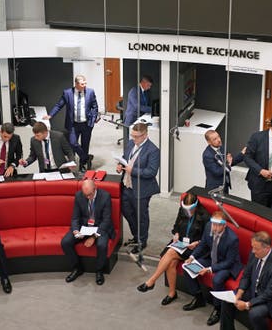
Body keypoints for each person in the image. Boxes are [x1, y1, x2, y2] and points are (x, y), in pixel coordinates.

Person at [137, 193, 210, 305]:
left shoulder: (205, 217)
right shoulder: (182, 211)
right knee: (171, 263)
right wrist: (176, 234)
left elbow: (207, 239)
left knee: (170, 253)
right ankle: (172, 293)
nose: (188, 212)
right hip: (181, 244)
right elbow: (176, 226)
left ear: (196, 206)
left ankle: (151, 281)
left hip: (195, 249)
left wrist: (197, 242)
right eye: (185, 209)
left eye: (190, 209)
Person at [219, 231, 272, 330]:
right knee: (228, 300)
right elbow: (246, 275)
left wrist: (246, 305)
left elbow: (269, 294)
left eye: (256, 248)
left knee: (255, 314)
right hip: (255, 289)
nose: (253, 251)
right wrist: (239, 293)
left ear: (267, 248)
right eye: (252, 247)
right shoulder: (255, 253)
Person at [181, 211, 242, 326]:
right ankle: (198, 297)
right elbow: (203, 244)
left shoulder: (232, 239)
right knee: (186, 267)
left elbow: (229, 262)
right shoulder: (209, 227)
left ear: (224, 225)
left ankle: (218, 309)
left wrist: (209, 269)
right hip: (211, 258)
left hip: (226, 264)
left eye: (218, 225)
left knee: (217, 280)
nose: (214, 227)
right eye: (213, 224)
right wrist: (192, 257)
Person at [116, 122, 160, 253]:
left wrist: (132, 170)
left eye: (137, 136)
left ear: (145, 135)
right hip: (126, 186)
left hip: (142, 189)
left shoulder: (153, 150)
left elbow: (151, 172)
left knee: (141, 217)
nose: (134, 139)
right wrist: (120, 165)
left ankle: (141, 242)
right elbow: (125, 157)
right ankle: (136, 237)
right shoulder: (130, 143)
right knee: (127, 212)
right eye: (132, 135)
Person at [61, 179, 114, 286]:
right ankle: (77, 268)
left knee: (102, 245)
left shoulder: (105, 196)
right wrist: (76, 231)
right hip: (84, 227)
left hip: (100, 227)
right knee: (65, 242)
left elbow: (106, 220)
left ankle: (99, 271)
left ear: (95, 189)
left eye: (90, 195)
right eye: (85, 195)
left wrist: (93, 237)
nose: (88, 198)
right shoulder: (79, 195)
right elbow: (75, 217)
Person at [44, 75, 99, 171]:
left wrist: (94, 118)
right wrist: (50, 115)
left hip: (87, 124)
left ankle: (82, 165)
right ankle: (86, 158)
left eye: (85, 83)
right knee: (73, 143)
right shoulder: (67, 93)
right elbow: (59, 105)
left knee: (85, 144)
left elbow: (95, 106)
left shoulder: (90, 92)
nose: (84, 85)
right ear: (76, 84)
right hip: (73, 124)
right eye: (82, 84)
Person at [202, 130, 244, 194]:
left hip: (225, 184)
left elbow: (229, 162)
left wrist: (242, 154)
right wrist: (229, 164)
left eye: (218, 136)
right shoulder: (207, 155)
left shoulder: (221, 147)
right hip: (215, 188)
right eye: (215, 139)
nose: (219, 140)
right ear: (209, 142)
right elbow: (217, 172)